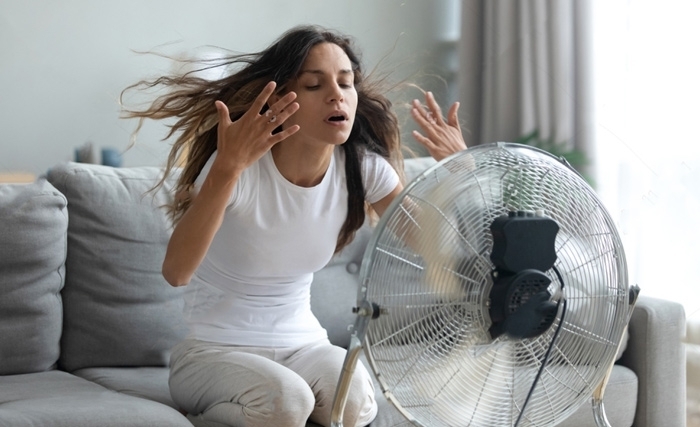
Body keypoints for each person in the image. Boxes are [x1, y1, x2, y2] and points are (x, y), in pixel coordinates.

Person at [121, 25, 465, 427]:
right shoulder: (238, 167)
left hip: (305, 346)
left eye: (346, 82)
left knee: (352, 404)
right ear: (282, 98)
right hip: (214, 352)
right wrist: (227, 169)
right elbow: (176, 272)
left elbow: (441, 249)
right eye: (314, 85)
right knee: (287, 402)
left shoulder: (362, 169)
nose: (337, 95)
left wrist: (461, 173)